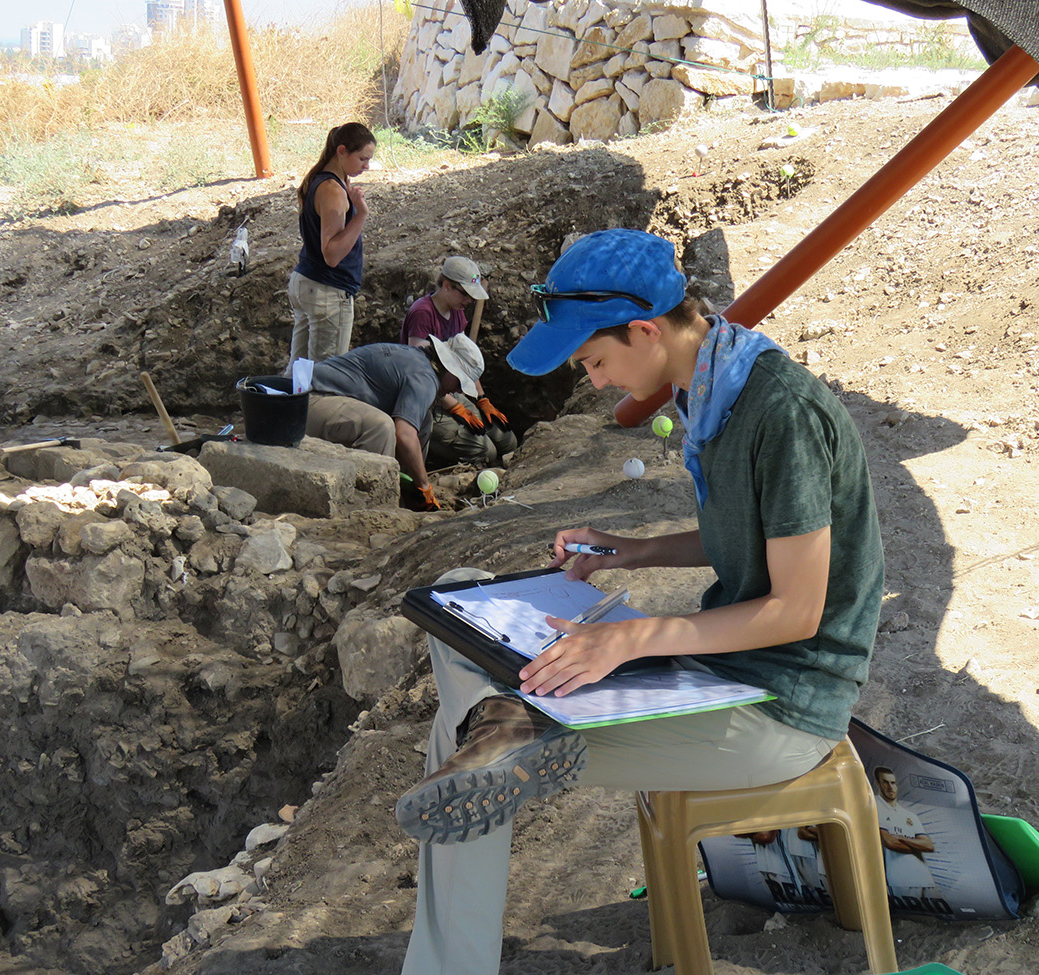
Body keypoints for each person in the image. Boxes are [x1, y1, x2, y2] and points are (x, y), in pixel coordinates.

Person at [394, 228, 885, 975]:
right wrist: (637, 550)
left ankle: (507, 746)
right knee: (459, 599)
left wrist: (630, 639)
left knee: (455, 739)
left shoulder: (778, 414)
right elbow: (746, 536)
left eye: (594, 360)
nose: (593, 383)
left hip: (781, 705)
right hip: (724, 673)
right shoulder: (712, 384)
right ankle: (511, 725)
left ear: (647, 330)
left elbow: (797, 611)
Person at [305, 334, 488, 512]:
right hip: (311, 400)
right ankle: (375, 506)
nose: (457, 390)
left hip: (327, 399)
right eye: (459, 382)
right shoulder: (425, 378)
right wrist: (425, 485)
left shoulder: (419, 360)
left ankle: (407, 492)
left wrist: (417, 483)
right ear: (449, 368)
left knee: (423, 420)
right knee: (380, 427)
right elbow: (404, 434)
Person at [399, 255, 518, 467]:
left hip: (450, 391)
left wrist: (482, 399)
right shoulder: (422, 314)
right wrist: (455, 408)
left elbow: (466, 363)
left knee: (507, 439)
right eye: (465, 294)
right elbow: (420, 376)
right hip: (427, 401)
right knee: (484, 450)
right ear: (446, 285)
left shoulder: (457, 313)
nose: (469, 301)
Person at [286, 122, 376, 372]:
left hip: (307, 283)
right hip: (327, 290)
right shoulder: (333, 191)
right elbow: (332, 254)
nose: (366, 166)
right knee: (325, 377)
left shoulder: (321, 180)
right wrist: (361, 215)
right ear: (342, 151)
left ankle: (282, 411)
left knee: (299, 372)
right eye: (362, 159)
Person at [873, 765, 940, 900]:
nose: (890, 787)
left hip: (925, 877)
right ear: (878, 784)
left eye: (893, 783)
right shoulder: (874, 806)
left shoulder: (909, 815)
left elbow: (928, 846)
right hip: (899, 880)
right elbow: (890, 843)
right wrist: (916, 845)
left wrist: (902, 839)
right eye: (885, 782)